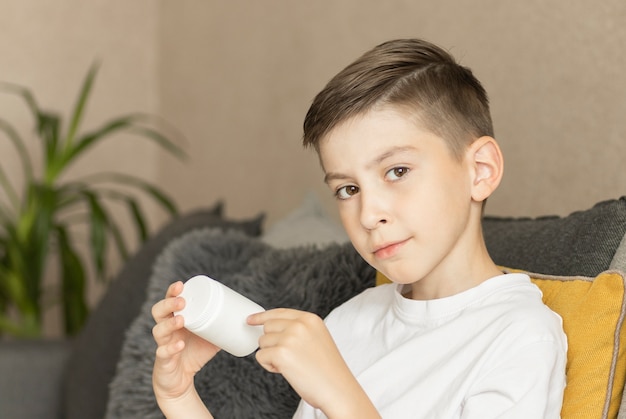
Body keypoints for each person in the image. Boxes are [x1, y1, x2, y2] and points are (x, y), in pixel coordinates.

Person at [151, 38, 567, 418]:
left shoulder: (521, 336)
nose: (368, 214)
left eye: (397, 170)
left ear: (479, 170)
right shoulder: (347, 323)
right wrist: (179, 396)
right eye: (348, 188)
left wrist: (339, 394)